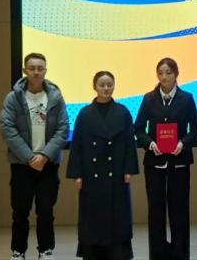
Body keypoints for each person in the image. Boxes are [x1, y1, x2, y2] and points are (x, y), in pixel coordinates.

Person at [0, 53, 69, 260]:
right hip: (22, 164)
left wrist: (45, 156)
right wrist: (30, 158)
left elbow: (63, 129)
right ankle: (18, 251)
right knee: (20, 211)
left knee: (46, 211)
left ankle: (45, 250)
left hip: (48, 164)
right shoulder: (13, 98)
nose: (36, 72)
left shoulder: (55, 97)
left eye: (40, 68)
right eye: (32, 68)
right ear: (25, 71)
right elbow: (7, 129)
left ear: (45, 71)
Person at [66, 71, 139, 259]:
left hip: (117, 172)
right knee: (92, 215)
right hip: (91, 174)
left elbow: (130, 143)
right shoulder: (84, 113)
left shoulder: (123, 112)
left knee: (118, 215)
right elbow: (77, 145)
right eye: (102, 85)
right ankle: (93, 253)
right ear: (95, 87)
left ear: (114, 86)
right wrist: (77, 174)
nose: (106, 88)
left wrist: (129, 169)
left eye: (109, 85)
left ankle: (118, 253)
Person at [134, 57, 197, 259]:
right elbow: (139, 128)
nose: (164, 77)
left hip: (179, 162)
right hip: (154, 163)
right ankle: (158, 254)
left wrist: (183, 143)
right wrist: (149, 143)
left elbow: (195, 130)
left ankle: (180, 254)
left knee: (179, 210)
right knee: (156, 211)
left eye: (168, 73)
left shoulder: (186, 99)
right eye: (160, 73)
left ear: (176, 74)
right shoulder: (149, 99)